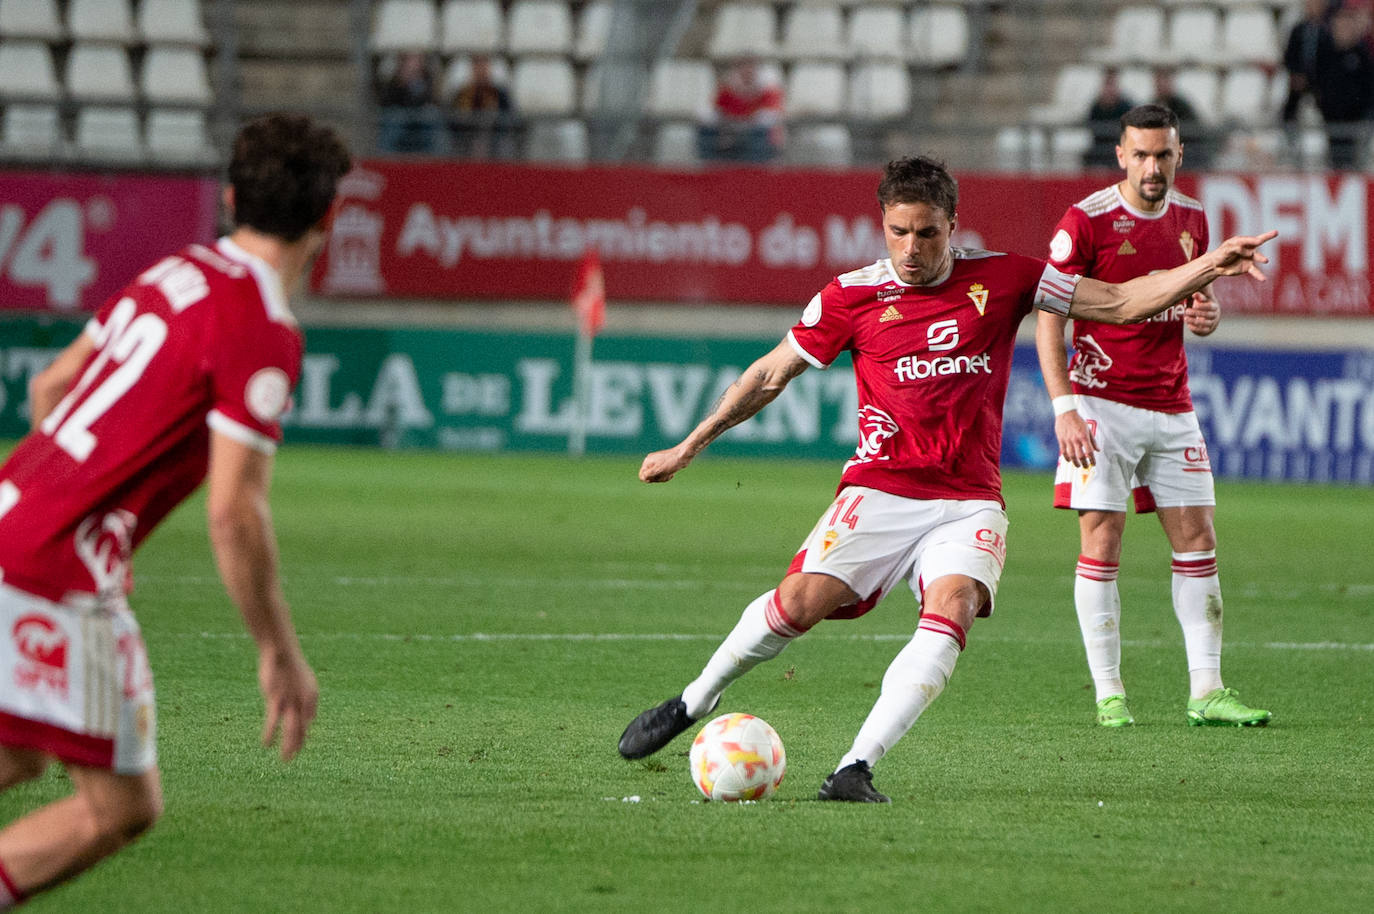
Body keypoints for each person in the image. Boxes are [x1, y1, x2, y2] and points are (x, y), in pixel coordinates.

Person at [616, 154, 1277, 802]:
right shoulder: (852, 295)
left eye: (926, 233)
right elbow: (769, 374)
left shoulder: (1009, 278)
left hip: (968, 502)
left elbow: (1122, 301)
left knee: (954, 604)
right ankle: (695, 699)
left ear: (953, 226)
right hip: (879, 489)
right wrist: (689, 445)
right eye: (898, 232)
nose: (911, 248)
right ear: (883, 226)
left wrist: (1207, 266)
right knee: (799, 603)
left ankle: (856, 766)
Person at [0, 113, 351, 906]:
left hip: (10, 516)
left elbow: (50, 388)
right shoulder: (263, 324)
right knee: (120, 807)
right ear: (330, 218)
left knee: (18, 755)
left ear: (230, 199)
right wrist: (280, 652)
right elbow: (234, 513)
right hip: (56, 564)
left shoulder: (176, 271)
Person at [1035, 104, 1271, 731]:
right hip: (1099, 404)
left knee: (1198, 541)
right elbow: (1048, 317)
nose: (1152, 167)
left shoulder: (1194, 218)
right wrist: (1065, 408)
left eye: (1163, 155)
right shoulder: (1085, 221)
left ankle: (1208, 692)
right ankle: (1110, 693)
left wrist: (1207, 313)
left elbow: (1198, 298)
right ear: (1120, 155)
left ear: (1179, 155)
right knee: (1102, 540)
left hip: (1171, 403)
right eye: (1140, 154)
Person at [1312, 2, 1374, 169]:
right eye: (1339, 23)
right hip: (1330, 118)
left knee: (1354, 161)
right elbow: (1317, 81)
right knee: (1332, 161)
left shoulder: (1361, 54)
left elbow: (1368, 88)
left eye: (1346, 23)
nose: (1342, 28)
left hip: (1355, 120)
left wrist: (1365, 114)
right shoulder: (1325, 51)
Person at [698, 57, 785, 163]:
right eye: (743, 69)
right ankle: (710, 164)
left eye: (750, 69)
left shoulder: (767, 90)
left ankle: (755, 165)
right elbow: (717, 110)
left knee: (763, 126)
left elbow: (772, 115)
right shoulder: (728, 89)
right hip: (730, 128)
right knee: (707, 123)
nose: (747, 73)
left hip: (754, 132)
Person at [376, 50, 443, 154]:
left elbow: (432, 101)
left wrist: (419, 87)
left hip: (420, 117)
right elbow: (387, 101)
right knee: (394, 117)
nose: (414, 64)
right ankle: (385, 154)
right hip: (401, 116)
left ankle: (440, 155)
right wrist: (402, 84)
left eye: (418, 59)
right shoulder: (394, 80)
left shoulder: (427, 78)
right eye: (411, 59)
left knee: (432, 114)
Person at [449, 54, 515, 160]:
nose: (481, 70)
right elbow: (453, 115)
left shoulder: (499, 92)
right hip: (466, 133)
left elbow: (508, 115)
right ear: (472, 69)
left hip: (494, 134)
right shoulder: (463, 92)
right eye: (477, 66)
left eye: (484, 66)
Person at [1084, 68, 1135, 169]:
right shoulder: (1096, 107)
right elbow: (1091, 127)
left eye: (1112, 85)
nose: (1109, 89)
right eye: (1107, 85)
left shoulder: (1126, 106)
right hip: (1100, 149)